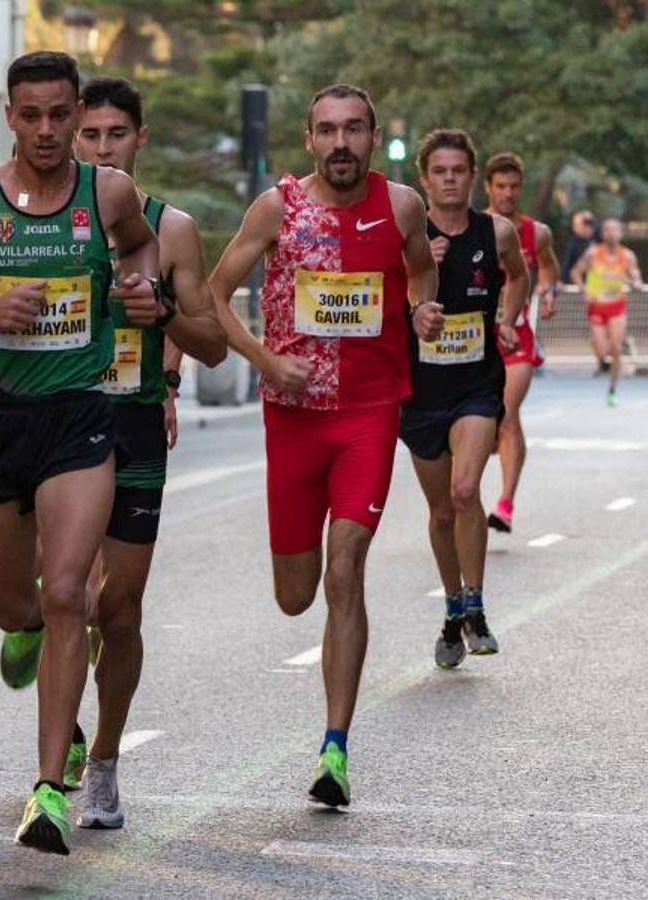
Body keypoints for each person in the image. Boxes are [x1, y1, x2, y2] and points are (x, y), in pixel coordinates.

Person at [0, 50, 222, 855]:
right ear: (11, 117)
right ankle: (38, 660)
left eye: (96, 127)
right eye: (49, 119)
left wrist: (151, 303)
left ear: (137, 138)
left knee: (89, 600)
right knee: (21, 607)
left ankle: (71, 778)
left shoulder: (142, 213)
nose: (73, 138)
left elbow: (200, 327)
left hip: (100, 421)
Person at [208, 84, 440, 808]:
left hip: (369, 413)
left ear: (374, 136)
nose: (342, 144)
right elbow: (217, 293)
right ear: (309, 139)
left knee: (346, 570)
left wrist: (423, 307)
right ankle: (332, 733)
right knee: (294, 594)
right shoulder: (277, 207)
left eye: (355, 130)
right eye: (328, 132)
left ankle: (334, 747)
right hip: (293, 416)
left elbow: (422, 266)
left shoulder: (402, 203)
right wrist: (265, 362)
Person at [71, 74, 224, 830]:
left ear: (140, 138)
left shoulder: (175, 228)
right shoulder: (38, 223)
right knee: (56, 597)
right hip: (53, 426)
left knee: (117, 608)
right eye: (90, 135)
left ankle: (102, 759)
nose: (104, 149)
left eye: (116, 135)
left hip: (130, 426)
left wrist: (162, 315)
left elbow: (213, 344)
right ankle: (56, 712)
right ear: (71, 138)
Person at [403, 129, 528, 669]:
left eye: (459, 170)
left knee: (464, 488)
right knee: (440, 511)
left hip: (477, 383)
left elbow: (519, 276)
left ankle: (475, 606)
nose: (450, 179)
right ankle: (452, 608)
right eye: (440, 171)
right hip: (422, 391)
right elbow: (388, 305)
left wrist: (506, 319)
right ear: (425, 179)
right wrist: (419, 266)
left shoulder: (495, 232)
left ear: (472, 176)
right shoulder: (406, 236)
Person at [481, 152, 560, 533]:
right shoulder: (475, 227)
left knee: (506, 416)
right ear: (488, 188)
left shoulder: (535, 232)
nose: (507, 194)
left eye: (513, 187)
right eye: (500, 187)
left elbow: (547, 265)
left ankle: (505, 504)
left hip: (518, 336)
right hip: (476, 336)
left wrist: (548, 293)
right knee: (485, 422)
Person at [571, 217, 644, 406]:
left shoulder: (627, 256)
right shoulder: (593, 253)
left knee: (617, 350)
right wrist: (583, 288)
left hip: (617, 306)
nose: (611, 233)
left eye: (615, 230)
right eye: (608, 230)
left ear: (621, 233)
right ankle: (599, 345)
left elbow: (635, 275)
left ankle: (612, 390)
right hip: (596, 306)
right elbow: (575, 272)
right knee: (603, 352)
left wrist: (636, 282)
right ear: (603, 233)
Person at [562, 210, 595, 283]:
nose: (587, 227)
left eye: (589, 224)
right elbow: (567, 264)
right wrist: (562, 280)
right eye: (585, 224)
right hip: (577, 283)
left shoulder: (596, 240)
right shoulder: (573, 243)